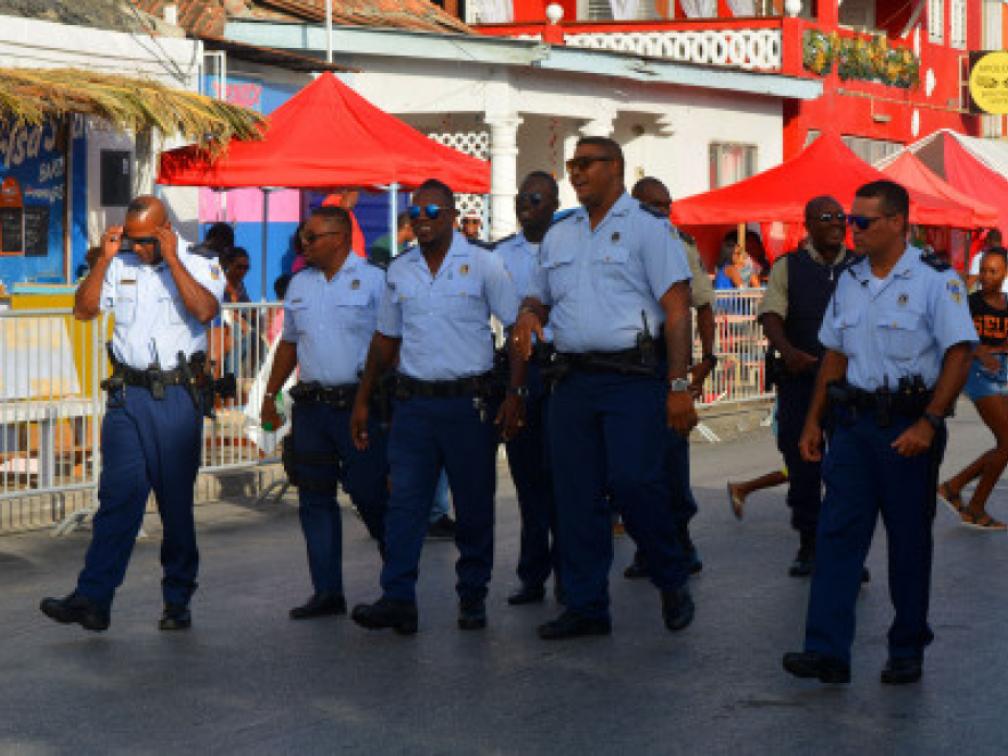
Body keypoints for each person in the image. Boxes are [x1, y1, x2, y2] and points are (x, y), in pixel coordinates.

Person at [783, 180, 976, 685]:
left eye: (862, 222)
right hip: (853, 426)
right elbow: (835, 354)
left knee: (908, 541)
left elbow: (960, 353)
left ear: (896, 223)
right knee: (836, 535)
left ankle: (907, 648)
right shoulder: (850, 279)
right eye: (852, 221)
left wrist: (930, 422)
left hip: (909, 426)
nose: (853, 230)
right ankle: (827, 651)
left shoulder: (936, 280)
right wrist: (813, 422)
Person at [510, 137, 698, 640]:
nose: (575, 173)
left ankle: (671, 575)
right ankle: (587, 605)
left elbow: (677, 310)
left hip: (631, 379)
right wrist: (528, 314)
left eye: (585, 164)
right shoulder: (561, 234)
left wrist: (679, 385)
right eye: (571, 165)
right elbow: (538, 295)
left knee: (635, 483)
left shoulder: (648, 229)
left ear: (615, 167)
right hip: (571, 380)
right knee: (575, 496)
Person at [40, 195, 225, 632]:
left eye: (147, 241)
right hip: (127, 396)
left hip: (175, 397)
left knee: (174, 504)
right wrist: (104, 261)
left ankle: (177, 598)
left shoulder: (199, 262)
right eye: (132, 240)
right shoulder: (120, 263)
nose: (138, 249)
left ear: (166, 230)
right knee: (116, 500)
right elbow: (83, 310)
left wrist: (173, 260)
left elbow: (205, 311)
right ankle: (93, 598)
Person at [349, 178, 519, 634]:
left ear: (452, 215)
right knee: (405, 506)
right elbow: (385, 339)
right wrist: (363, 399)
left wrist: (515, 394)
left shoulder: (484, 263)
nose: (421, 221)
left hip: (469, 406)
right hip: (414, 407)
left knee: (474, 505)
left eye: (432, 213)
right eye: (415, 214)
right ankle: (398, 598)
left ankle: (473, 596)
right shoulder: (400, 270)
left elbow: (517, 328)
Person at [259, 206, 390, 619]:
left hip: (358, 405)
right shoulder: (300, 283)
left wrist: (379, 403)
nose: (304, 244)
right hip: (312, 408)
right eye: (303, 237)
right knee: (314, 499)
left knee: (370, 494)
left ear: (339, 238)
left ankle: (399, 585)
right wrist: (270, 393)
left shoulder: (375, 280)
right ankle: (327, 591)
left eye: (311, 237)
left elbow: (390, 343)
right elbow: (290, 343)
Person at [622, 176, 717, 580]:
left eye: (667, 205)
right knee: (631, 462)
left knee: (672, 455)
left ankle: (680, 539)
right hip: (625, 364)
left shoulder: (681, 245)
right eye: (653, 205)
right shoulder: (616, 240)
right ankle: (646, 545)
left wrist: (707, 358)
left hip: (668, 361)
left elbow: (703, 304)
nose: (662, 212)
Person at [757, 196, 853, 576]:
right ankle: (809, 544)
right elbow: (770, 314)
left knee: (848, 468)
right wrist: (788, 351)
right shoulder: (789, 266)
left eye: (840, 216)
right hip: (800, 381)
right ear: (808, 224)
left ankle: (844, 548)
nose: (836, 223)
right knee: (802, 467)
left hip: (848, 385)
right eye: (826, 217)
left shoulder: (859, 266)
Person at [493, 170, 562, 605]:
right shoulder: (500, 254)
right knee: (528, 478)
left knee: (566, 477)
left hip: (561, 367)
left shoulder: (570, 246)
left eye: (536, 199)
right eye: (522, 198)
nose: (526, 206)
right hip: (518, 369)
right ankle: (532, 575)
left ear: (554, 204)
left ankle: (572, 575)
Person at [938, 246, 1008, 530]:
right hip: (977, 373)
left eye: (993, 271)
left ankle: (955, 487)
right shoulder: (970, 303)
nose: (986, 276)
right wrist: (981, 352)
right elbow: (958, 336)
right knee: (1007, 442)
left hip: (1002, 372)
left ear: (1005, 274)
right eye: (983, 271)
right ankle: (973, 506)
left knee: (1005, 444)